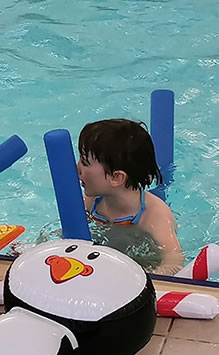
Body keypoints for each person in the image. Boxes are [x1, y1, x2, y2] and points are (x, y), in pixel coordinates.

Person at [76, 118, 184, 275]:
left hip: (142, 264)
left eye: (84, 162)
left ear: (116, 178)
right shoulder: (93, 201)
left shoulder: (154, 216)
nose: (76, 167)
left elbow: (174, 260)